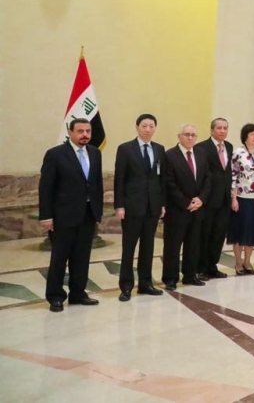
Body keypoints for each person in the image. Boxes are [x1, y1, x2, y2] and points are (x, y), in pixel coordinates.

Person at [39, 118, 104, 312]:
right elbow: (46, 188)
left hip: (87, 215)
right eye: (80, 131)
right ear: (70, 132)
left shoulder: (95, 152)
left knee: (82, 257)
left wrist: (98, 211)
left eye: (88, 131)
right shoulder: (55, 154)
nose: (85, 135)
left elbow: (97, 184)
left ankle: (78, 293)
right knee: (60, 258)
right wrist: (46, 216)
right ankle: (55, 296)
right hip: (63, 216)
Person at [113, 113, 166, 301]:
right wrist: (119, 205)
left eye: (151, 126)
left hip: (152, 207)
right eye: (144, 126)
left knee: (148, 247)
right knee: (129, 248)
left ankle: (145, 283)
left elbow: (161, 179)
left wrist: (162, 204)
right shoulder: (125, 149)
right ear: (137, 127)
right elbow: (119, 179)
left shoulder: (159, 149)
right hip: (131, 207)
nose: (148, 129)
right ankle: (126, 286)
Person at [161, 124, 210, 290]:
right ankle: (170, 278)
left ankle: (190, 275)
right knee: (173, 246)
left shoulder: (201, 153)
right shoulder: (169, 155)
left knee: (193, 245)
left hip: (197, 209)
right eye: (187, 134)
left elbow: (207, 179)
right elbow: (169, 183)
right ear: (179, 136)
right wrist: (186, 202)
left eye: (193, 135)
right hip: (177, 210)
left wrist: (201, 199)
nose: (190, 138)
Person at [228, 123, 254, 275]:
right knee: (240, 231)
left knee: (252, 231)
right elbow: (233, 177)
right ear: (245, 137)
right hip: (241, 198)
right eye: (252, 134)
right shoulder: (238, 153)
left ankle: (247, 261)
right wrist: (233, 198)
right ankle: (238, 262)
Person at [195, 118, 233, 280]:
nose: (222, 131)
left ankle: (213, 266)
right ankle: (201, 268)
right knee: (205, 235)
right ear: (212, 130)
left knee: (219, 235)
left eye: (225, 128)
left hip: (224, 199)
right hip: (208, 199)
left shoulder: (229, 146)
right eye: (219, 128)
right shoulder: (202, 147)